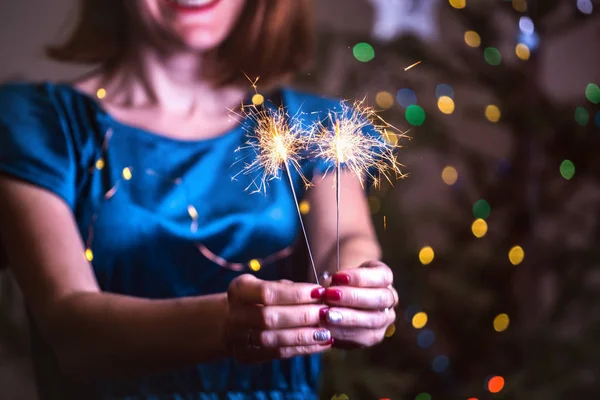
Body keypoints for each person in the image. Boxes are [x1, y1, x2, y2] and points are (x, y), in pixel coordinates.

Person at [0, 0, 398, 398]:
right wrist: (228, 322)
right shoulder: (39, 126)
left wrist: (359, 287)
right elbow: (72, 332)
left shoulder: (317, 126)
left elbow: (344, 240)